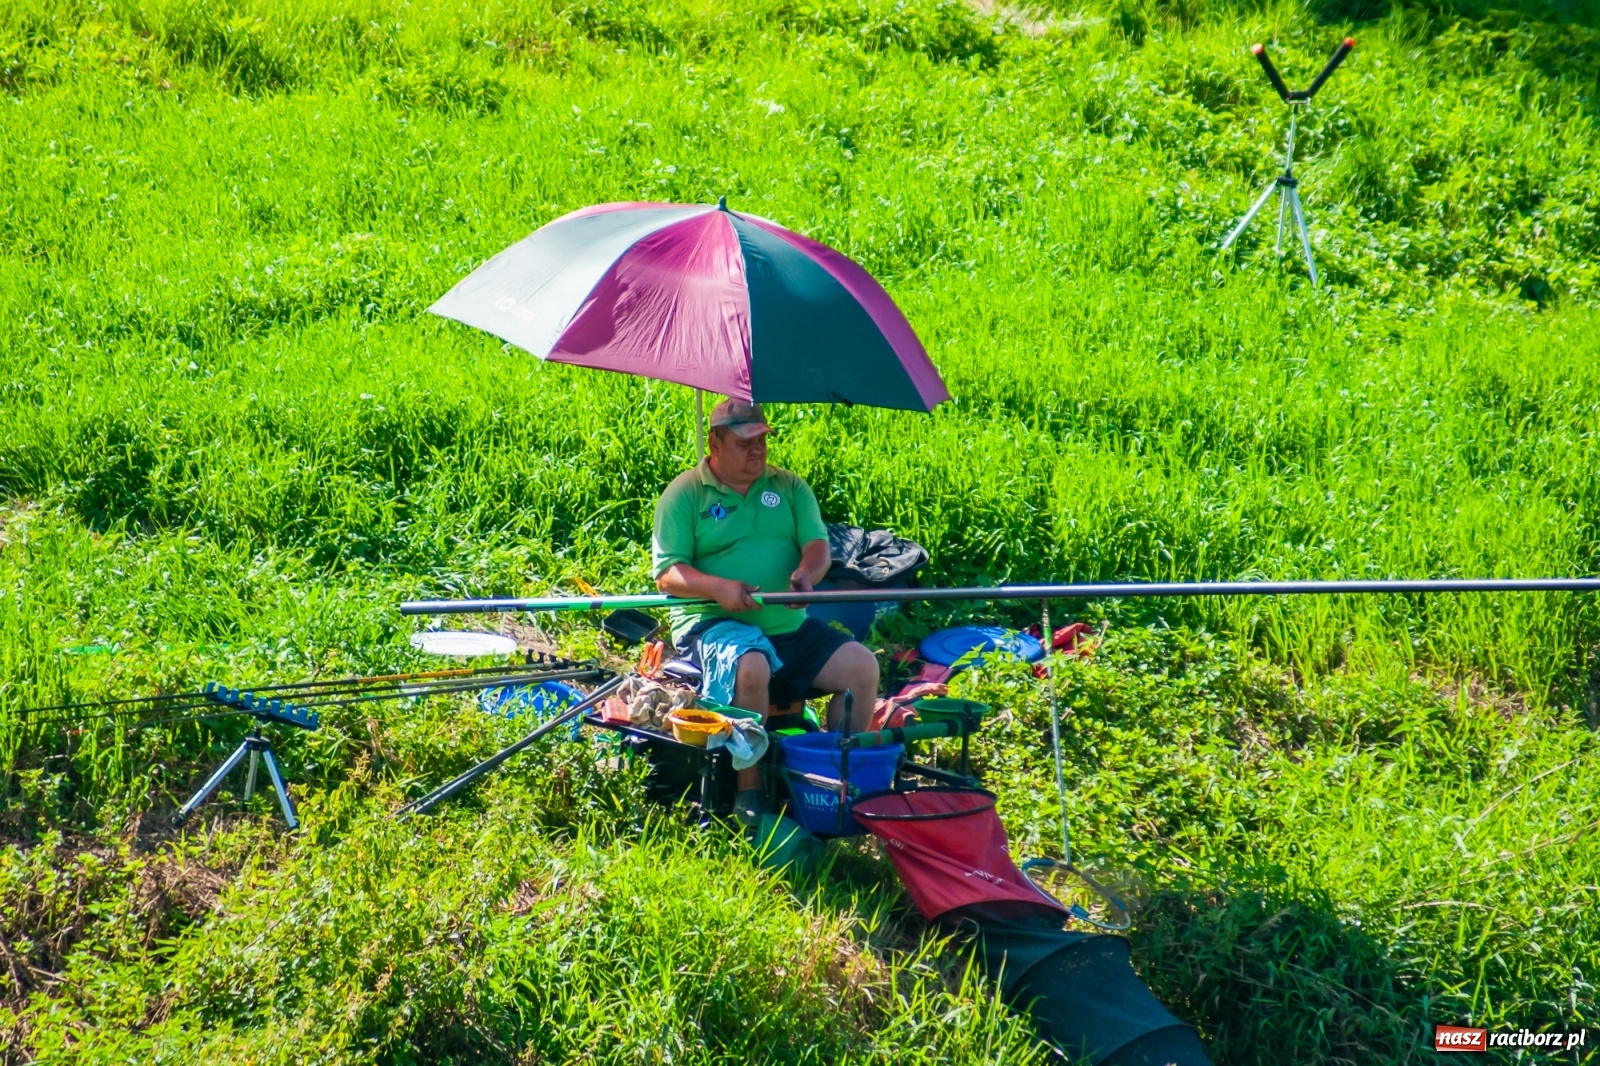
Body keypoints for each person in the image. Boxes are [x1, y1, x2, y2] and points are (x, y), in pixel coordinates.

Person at [652, 398, 879, 820]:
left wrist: (807, 575)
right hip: (714, 622)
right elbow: (667, 574)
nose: (758, 451)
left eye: (762, 441)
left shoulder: (790, 487)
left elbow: (817, 546)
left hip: (788, 626)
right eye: (745, 443)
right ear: (715, 442)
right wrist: (717, 588)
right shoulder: (684, 494)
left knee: (862, 667)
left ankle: (837, 776)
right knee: (752, 666)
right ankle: (749, 793)